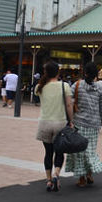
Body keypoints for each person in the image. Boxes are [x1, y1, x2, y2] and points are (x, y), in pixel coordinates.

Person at [65, 62, 102, 187]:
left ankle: (82, 178)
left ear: (85, 73)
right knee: (90, 151)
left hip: (79, 123)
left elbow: (68, 100)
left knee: (79, 152)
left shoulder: (77, 85)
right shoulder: (100, 88)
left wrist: (68, 118)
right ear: (96, 75)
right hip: (94, 125)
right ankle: (89, 174)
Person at [35, 60, 74, 192]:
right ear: (58, 72)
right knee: (59, 152)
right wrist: (71, 120)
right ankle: (56, 174)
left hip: (44, 123)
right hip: (60, 123)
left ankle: (48, 180)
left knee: (48, 152)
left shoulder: (40, 86)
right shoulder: (65, 86)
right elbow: (69, 105)